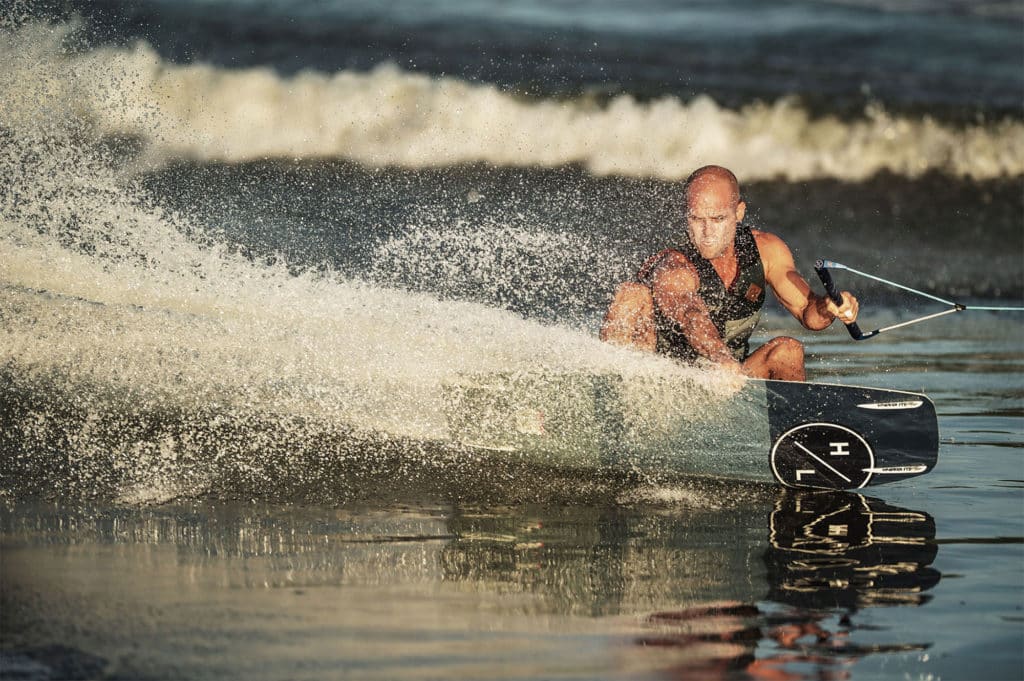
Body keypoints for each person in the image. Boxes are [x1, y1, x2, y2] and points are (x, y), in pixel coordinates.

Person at [600, 165, 858, 382]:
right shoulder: (674, 264)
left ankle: (795, 433)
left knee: (788, 350)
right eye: (697, 220)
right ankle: (615, 406)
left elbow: (808, 314)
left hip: (729, 383)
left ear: (739, 213)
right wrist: (720, 358)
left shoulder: (766, 250)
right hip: (667, 386)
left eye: (718, 219)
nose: (707, 232)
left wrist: (829, 306)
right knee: (631, 296)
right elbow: (691, 314)